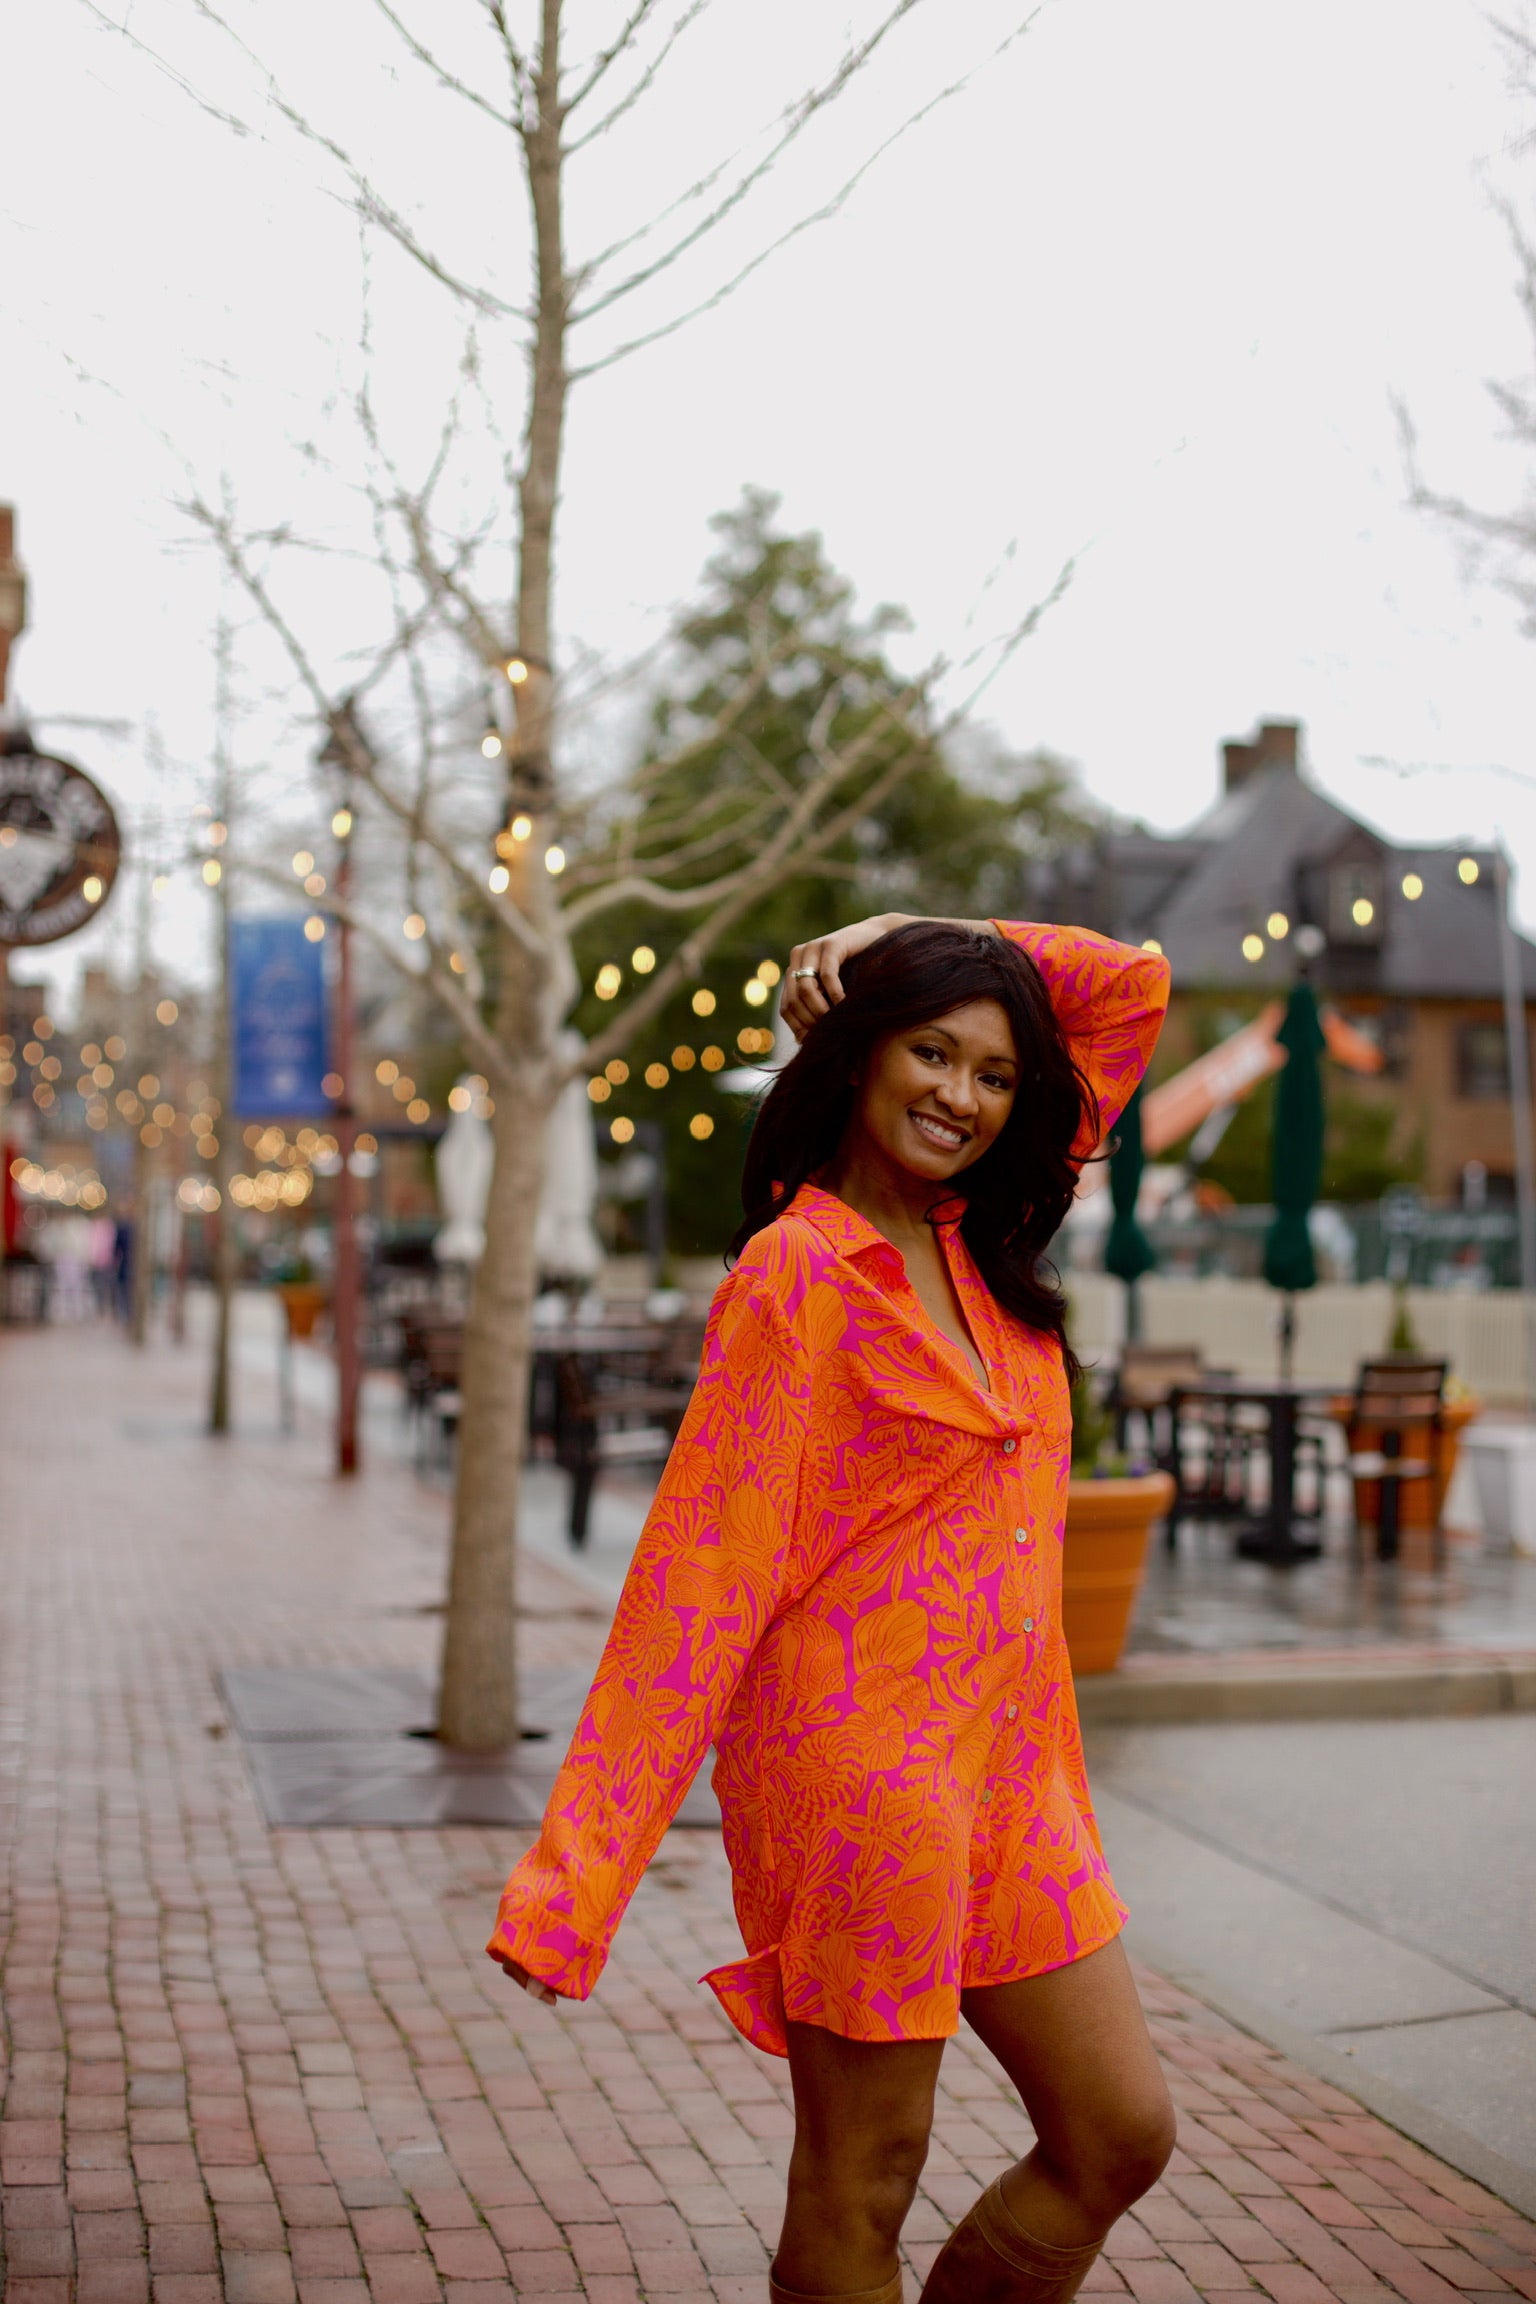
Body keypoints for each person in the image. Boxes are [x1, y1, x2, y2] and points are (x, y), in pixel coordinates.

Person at [488, 912, 1175, 2303]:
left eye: (992, 1073)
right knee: (863, 2178)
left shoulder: (986, 1231)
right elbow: (693, 1589)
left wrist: (919, 936)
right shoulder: (793, 1279)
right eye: (931, 1052)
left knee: (1118, 2133)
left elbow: (1132, 987)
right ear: (856, 1055)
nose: (962, 1097)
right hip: (863, 1786)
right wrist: (573, 1892)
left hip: (1017, 1778)